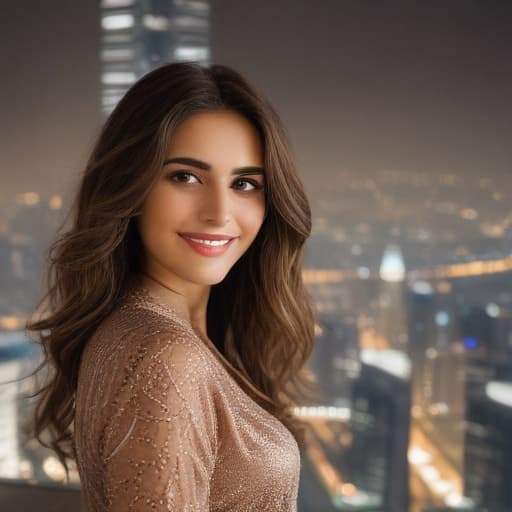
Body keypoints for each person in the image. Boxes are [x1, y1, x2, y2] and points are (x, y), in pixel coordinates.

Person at [25, 62, 320, 511]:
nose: (219, 212)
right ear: (131, 187)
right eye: (185, 177)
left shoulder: (151, 333)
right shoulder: (165, 356)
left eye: (244, 183)